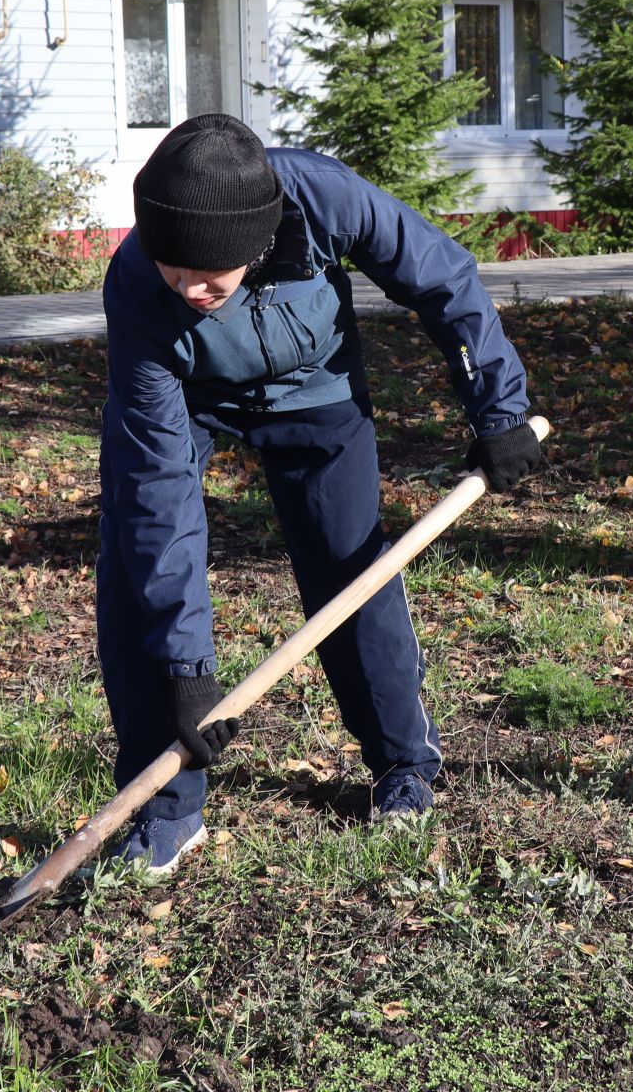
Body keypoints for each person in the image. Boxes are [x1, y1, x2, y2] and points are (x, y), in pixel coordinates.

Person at [97, 114, 543, 876]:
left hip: (317, 389)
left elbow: (443, 278)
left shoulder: (323, 195)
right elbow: (158, 500)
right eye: (173, 271)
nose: (188, 290)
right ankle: (166, 808)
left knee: (351, 564)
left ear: (253, 245)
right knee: (135, 569)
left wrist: (498, 409)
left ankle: (404, 766)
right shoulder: (139, 287)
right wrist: (189, 672)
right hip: (189, 396)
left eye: (207, 276)